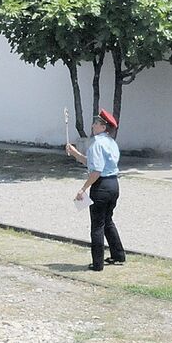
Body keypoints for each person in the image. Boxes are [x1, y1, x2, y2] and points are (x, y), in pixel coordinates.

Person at [65, 109, 126, 271]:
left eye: (96, 123)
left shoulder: (97, 143)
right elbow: (92, 163)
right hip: (113, 184)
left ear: (104, 127)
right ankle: (118, 255)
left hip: (101, 186)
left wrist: (83, 189)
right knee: (108, 221)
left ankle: (97, 264)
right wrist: (75, 153)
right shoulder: (111, 143)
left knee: (97, 225)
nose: (93, 125)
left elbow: (96, 171)